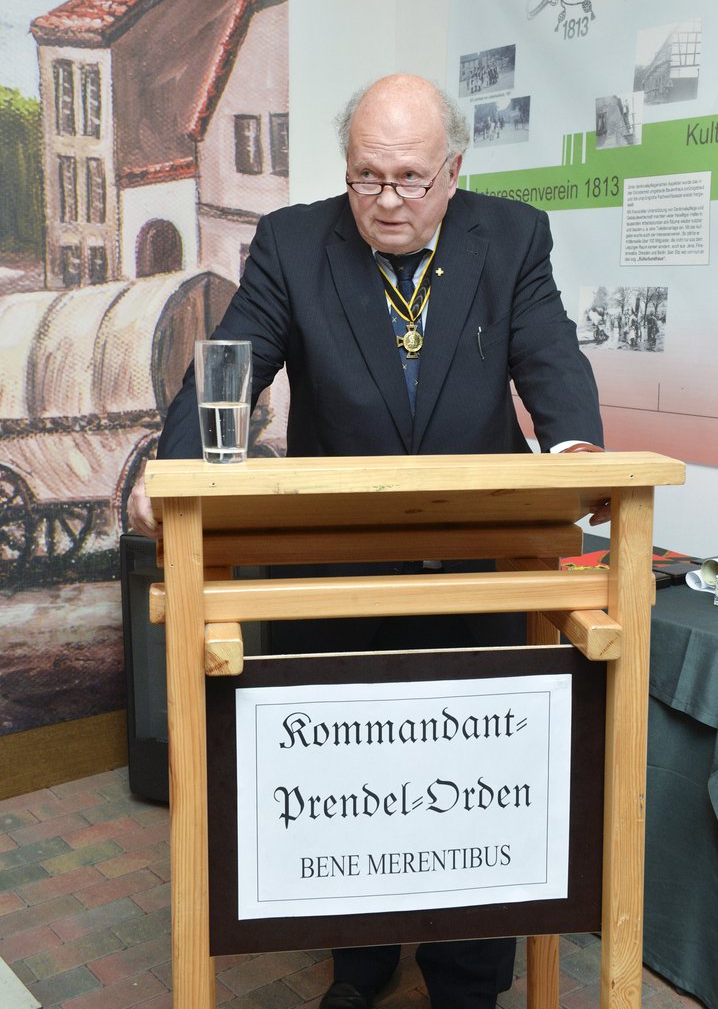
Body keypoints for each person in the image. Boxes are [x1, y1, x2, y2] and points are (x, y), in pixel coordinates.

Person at [128, 74, 608, 1009]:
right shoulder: (292, 241)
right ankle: (361, 963)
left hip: (481, 565)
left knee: (478, 781)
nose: (386, 201)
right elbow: (233, 363)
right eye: (366, 177)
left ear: (453, 171)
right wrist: (172, 468)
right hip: (335, 570)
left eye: (410, 179)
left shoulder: (512, 236)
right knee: (349, 782)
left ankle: (468, 980)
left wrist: (577, 449)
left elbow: (548, 350)